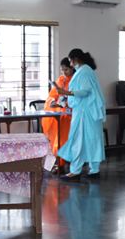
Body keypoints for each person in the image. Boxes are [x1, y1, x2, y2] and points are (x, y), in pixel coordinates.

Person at [56, 49, 105, 181]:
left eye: (70, 61)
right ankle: (94, 170)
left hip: (85, 112)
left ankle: (75, 171)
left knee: (78, 140)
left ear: (75, 59)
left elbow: (85, 91)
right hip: (87, 111)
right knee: (91, 140)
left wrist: (66, 93)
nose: (70, 64)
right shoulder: (86, 70)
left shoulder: (84, 71)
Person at [42, 59, 74, 173]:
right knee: (55, 136)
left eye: (66, 70)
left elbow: (76, 97)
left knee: (64, 137)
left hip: (71, 115)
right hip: (59, 114)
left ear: (72, 68)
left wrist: (66, 103)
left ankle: (64, 162)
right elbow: (52, 95)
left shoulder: (75, 80)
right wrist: (52, 102)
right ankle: (58, 162)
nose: (64, 72)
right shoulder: (60, 80)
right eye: (62, 70)